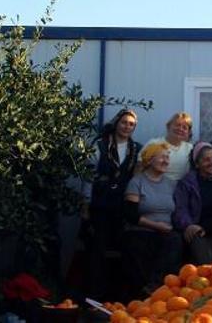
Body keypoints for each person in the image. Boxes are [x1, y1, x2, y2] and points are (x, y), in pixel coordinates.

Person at [84, 108, 142, 300]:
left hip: (122, 207)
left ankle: (119, 298)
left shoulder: (137, 150)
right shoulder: (99, 146)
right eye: (124, 122)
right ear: (117, 123)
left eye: (132, 124)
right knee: (97, 250)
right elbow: (88, 178)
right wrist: (85, 206)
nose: (127, 127)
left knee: (124, 251)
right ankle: (94, 296)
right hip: (100, 205)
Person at [122, 142, 182, 299]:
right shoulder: (137, 182)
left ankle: (155, 288)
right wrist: (156, 226)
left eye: (168, 157)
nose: (166, 161)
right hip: (141, 229)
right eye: (162, 157)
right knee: (138, 244)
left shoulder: (171, 184)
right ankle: (141, 295)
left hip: (166, 232)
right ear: (149, 160)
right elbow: (130, 214)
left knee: (175, 241)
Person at [173, 142, 212, 265]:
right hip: (199, 231)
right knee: (204, 261)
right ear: (197, 163)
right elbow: (180, 209)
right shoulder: (186, 184)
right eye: (206, 160)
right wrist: (189, 225)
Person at [141, 112, 194, 181]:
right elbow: (140, 167)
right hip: (155, 185)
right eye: (177, 125)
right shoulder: (154, 143)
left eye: (184, 128)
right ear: (168, 126)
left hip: (181, 188)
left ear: (188, 132)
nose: (180, 129)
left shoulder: (191, 148)